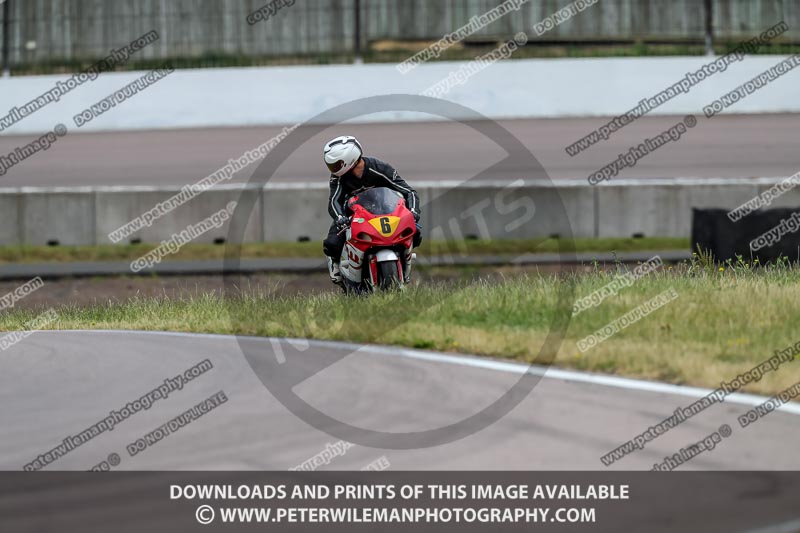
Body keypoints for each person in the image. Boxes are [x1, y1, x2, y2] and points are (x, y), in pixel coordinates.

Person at [322, 135, 421, 285]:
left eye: (336, 165)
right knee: (332, 244)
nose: (333, 169)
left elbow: (409, 192)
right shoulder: (337, 178)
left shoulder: (380, 168)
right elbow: (334, 201)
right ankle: (335, 263)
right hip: (352, 215)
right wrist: (340, 218)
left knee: (416, 233)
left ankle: (405, 263)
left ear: (349, 159)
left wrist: (413, 211)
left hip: (385, 211)